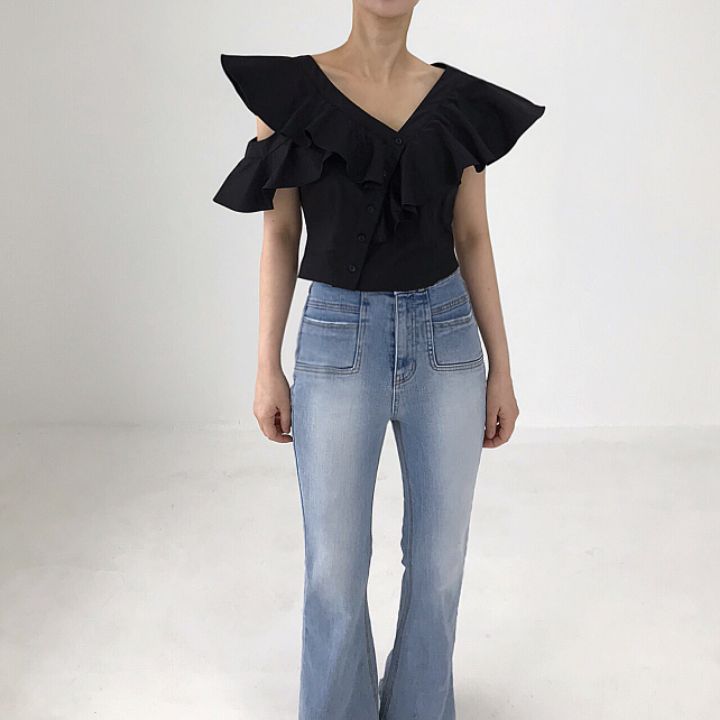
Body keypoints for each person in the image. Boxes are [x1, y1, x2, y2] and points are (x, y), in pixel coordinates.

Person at [213, 2, 545, 718]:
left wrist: (502, 369)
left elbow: (473, 237)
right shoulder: (292, 95)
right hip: (338, 339)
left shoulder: (459, 104)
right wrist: (267, 364)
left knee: (439, 567)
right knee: (333, 573)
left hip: (447, 341)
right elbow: (280, 233)